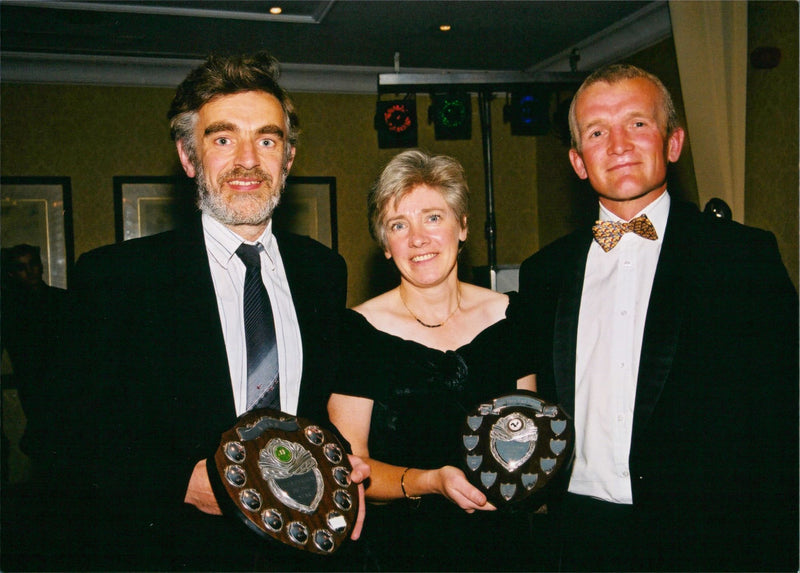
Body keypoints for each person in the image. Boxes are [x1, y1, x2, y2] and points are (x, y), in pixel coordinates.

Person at [22, 52, 368, 572]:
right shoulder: (117, 279)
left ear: (289, 159)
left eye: (267, 139)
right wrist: (180, 485)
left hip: (301, 551)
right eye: (223, 139)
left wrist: (340, 469)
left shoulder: (322, 271)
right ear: (188, 157)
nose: (248, 160)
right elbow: (55, 438)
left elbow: (311, 411)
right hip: (173, 550)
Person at [513, 63, 798, 572]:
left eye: (638, 123)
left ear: (674, 142)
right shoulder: (542, 274)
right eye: (597, 132)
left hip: (708, 539)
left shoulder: (742, 258)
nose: (618, 144)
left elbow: (784, 419)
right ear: (578, 161)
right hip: (574, 538)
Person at [328, 149, 539, 572]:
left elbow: (527, 440)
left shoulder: (513, 318)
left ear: (462, 227)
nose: (417, 239)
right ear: (386, 246)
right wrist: (432, 481)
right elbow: (352, 467)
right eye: (398, 225)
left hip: (504, 548)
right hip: (400, 552)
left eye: (433, 218)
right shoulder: (355, 333)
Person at [0, 244, 67, 466]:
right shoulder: (10, 311)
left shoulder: (63, 301)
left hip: (65, 386)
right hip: (35, 388)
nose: (30, 272)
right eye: (21, 268)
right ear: (11, 273)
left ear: (41, 266)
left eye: (33, 265)